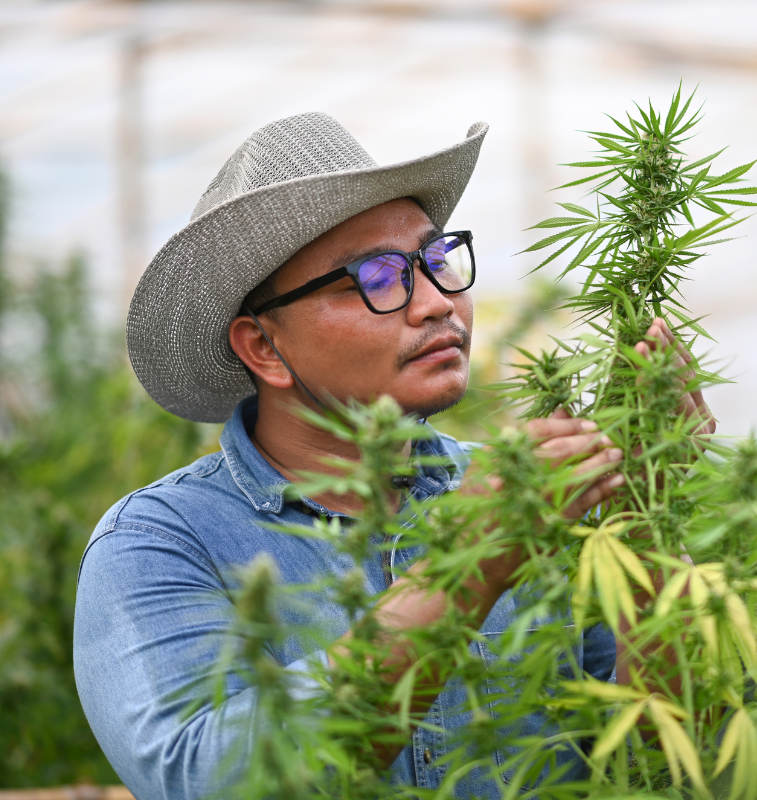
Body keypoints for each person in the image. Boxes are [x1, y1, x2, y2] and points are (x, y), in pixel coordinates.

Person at [73, 112, 713, 800]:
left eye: (437, 262)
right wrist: (471, 564)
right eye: (378, 277)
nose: (440, 303)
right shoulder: (158, 544)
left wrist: (649, 527)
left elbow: (645, 771)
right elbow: (211, 781)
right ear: (263, 347)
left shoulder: (532, 497)